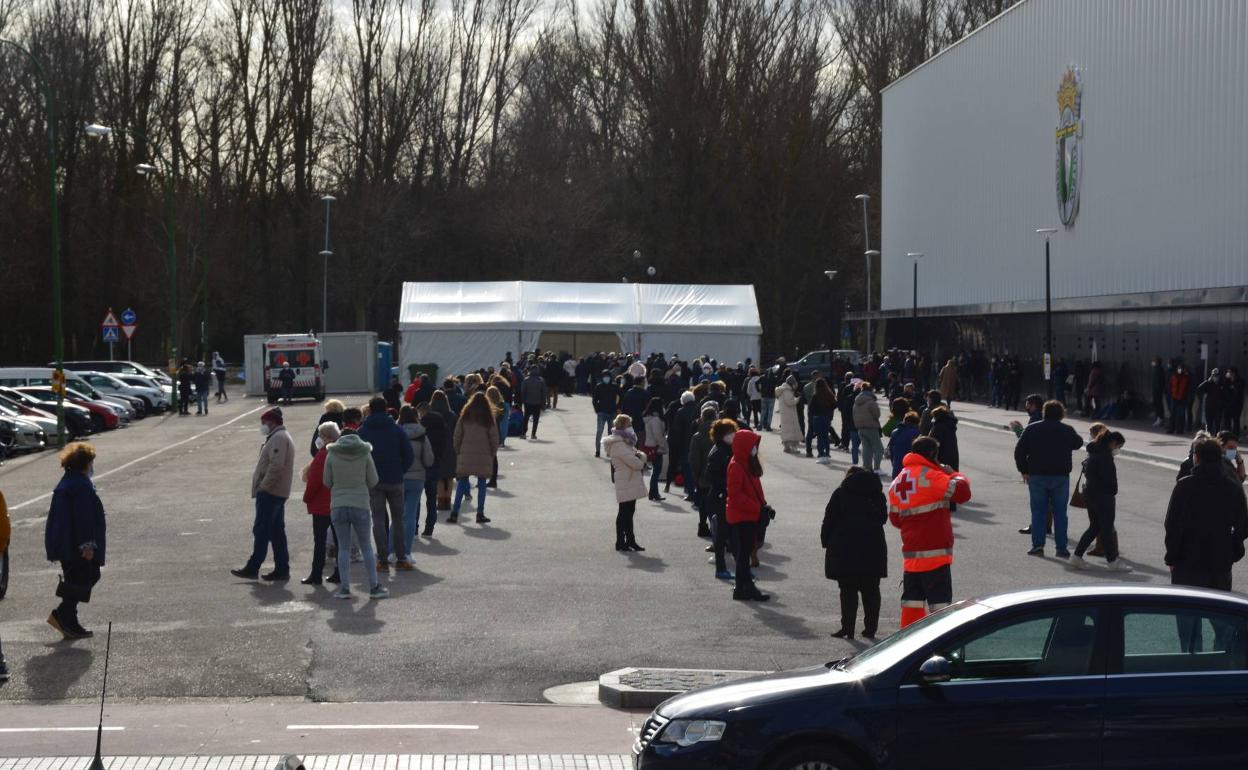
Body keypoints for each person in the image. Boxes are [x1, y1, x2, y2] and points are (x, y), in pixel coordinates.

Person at [888, 436, 971, 627]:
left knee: (912, 605)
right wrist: (955, 474)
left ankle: (908, 645)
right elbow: (963, 493)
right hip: (935, 555)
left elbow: (895, 519)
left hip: (911, 556)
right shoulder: (932, 477)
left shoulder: (898, 481)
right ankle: (941, 646)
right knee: (940, 608)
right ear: (933, 453)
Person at [1164, 437, 1248, 591]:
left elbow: (1172, 524)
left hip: (1187, 560)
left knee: (1187, 610)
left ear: (1197, 458)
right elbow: (1242, 525)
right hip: (1220, 560)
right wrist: (1233, 551)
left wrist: (1172, 557)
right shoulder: (1232, 487)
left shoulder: (1184, 486)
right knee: (1218, 611)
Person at [43, 443, 107, 640]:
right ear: (86, 464)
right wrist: (87, 545)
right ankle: (63, 614)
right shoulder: (80, 485)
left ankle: (68, 619)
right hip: (73, 544)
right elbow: (83, 517)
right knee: (87, 576)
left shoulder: (69, 481)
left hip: (65, 542)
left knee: (77, 579)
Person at [822, 466, 887, 639]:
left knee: (848, 590)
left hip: (845, 548)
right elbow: (883, 518)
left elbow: (829, 518)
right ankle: (870, 629)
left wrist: (825, 541)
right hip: (873, 547)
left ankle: (847, 628)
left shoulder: (841, 493)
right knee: (871, 590)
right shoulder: (876, 494)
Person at [324, 423, 387, 600]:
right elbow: (373, 480)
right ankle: (374, 586)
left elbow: (327, 482)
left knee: (342, 548)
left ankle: (344, 588)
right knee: (366, 546)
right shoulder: (365, 453)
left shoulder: (332, 454)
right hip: (360, 503)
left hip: (338, 504)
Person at [1013, 400, 1084, 558]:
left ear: (1044, 412)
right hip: (1060, 475)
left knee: (1038, 511)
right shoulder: (1066, 429)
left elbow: (1019, 451)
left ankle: (1038, 545)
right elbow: (1078, 443)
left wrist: (1024, 470)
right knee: (1060, 512)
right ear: (1061, 413)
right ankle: (1061, 548)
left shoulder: (1033, 428)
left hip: (1037, 474)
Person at [232, 408, 295, 581]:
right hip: (276, 491)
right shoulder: (278, 437)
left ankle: (253, 567)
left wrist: (264, 487)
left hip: (271, 492)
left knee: (262, 530)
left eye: (264, 422)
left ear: (272, 422)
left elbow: (276, 466)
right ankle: (282, 568)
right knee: (276, 532)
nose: (262, 426)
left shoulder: (279, 438)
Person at [358, 396, 415, 572]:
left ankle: (382, 560)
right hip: (395, 479)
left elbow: (359, 457)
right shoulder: (396, 430)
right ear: (386, 408)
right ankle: (401, 557)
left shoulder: (362, 431)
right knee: (398, 520)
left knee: (378, 520)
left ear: (370, 409)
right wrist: (400, 470)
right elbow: (409, 455)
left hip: (374, 481)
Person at [1070, 430, 1130, 571]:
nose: (1118, 450)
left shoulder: (1093, 452)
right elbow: (1109, 480)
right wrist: (1112, 491)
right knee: (1107, 529)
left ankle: (1077, 556)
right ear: (1113, 443)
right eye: (1119, 447)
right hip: (1103, 497)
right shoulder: (1105, 457)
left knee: (1095, 527)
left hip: (1090, 494)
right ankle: (1112, 561)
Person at [726, 429, 770, 602]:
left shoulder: (744, 462)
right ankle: (748, 588)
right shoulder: (737, 465)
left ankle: (741, 588)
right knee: (743, 556)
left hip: (747, 515)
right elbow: (735, 494)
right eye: (753, 445)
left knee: (743, 555)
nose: (755, 449)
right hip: (743, 516)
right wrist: (755, 507)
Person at [300, 422, 340, 585]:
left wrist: (307, 498)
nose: (319, 439)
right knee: (339, 540)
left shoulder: (323, 455)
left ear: (327, 437)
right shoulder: (340, 452)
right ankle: (339, 572)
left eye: (321, 436)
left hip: (322, 504)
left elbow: (315, 481)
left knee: (320, 541)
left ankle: (316, 573)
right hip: (338, 501)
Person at [451, 392, 500, 524]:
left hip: (465, 454)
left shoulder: (465, 416)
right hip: (483, 455)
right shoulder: (489, 418)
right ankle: (480, 513)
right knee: (482, 484)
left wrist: (458, 451)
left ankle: (455, 512)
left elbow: (457, 436)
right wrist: (492, 453)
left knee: (462, 482)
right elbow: (494, 439)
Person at [603, 414, 647, 551]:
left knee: (629, 511)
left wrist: (640, 456)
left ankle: (630, 540)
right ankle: (621, 541)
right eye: (629, 425)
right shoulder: (619, 444)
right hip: (626, 480)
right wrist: (641, 458)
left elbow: (637, 455)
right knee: (624, 512)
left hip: (628, 480)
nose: (631, 428)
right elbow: (636, 463)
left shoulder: (625, 441)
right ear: (623, 426)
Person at [399, 405, 436, 552]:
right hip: (417, 477)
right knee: (410, 514)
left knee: (398, 515)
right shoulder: (422, 435)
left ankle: (395, 548)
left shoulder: (396, 433)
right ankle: (407, 549)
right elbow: (428, 460)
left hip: (399, 477)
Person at [704, 419, 737, 580]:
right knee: (722, 535)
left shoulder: (725, 449)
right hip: (719, 497)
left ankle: (738, 568)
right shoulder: (720, 452)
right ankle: (721, 568)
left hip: (721, 495)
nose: (733, 435)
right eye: (730, 432)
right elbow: (711, 476)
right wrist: (726, 486)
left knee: (728, 535)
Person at [687, 402, 720, 536]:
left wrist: (696, 474)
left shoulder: (698, 436)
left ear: (702, 417)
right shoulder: (720, 433)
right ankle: (716, 528)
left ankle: (702, 525)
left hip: (703, 474)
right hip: (719, 474)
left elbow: (694, 458)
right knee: (717, 504)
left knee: (703, 503)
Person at [642, 397, 669, 502]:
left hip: (650, 445)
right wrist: (664, 445)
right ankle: (654, 493)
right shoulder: (656, 420)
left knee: (655, 471)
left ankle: (653, 493)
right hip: (657, 447)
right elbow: (658, 435)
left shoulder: (648, 418)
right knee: (656, 472)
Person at [808, 378, 840, 464]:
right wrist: (828, 410)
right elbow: (835, 405)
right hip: (826, 418)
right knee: (825, 436)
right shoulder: (829, 394)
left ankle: (821, 454)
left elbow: (811, 408)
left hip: (817, 418)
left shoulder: (815, 396)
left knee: (820, 437)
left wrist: (815, 412)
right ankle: (827, 454)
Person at [854, 383, 883, 473]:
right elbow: (877, 414)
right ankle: (877, 468)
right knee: (879, 448)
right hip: (871, 427)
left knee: (866, 448)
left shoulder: (856, 401)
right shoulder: (871, 401)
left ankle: (867, 467)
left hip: (860, 427)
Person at [592, 370, 620, 458]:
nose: (606, 378)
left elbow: (619, 397)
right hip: (602, 412)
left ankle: (609, 451)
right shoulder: (599, 386)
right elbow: (594, 399)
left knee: (611, 433)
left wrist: (617, 408)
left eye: (607, 376)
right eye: (604, 376)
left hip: (612, 412)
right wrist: (597, 409)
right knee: (599, 431)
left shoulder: (615, 387)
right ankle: (597, 450)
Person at [888, 411, 921, 479]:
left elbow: (891, 449)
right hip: (911, 465)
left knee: (897, 485)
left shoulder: (895, 432)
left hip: (897, 464)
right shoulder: (917, 433)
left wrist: (893, 462)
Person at [927, 405, 960, 471]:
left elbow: (933, 444)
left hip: (941, 460)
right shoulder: (950, 425)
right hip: (952, 458)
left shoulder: (938, 427)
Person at [775, 375, 802, 453]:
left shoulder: (783, 390)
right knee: (791, 430)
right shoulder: (787, 391)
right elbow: (790, 402)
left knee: (786, 430)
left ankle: (787, 447)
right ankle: (793, 448)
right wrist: (797, 399)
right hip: (789, 414)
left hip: (785, 414)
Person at [520, 367, 547, 440]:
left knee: (526, 418)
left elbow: (523, 391)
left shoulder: (526, 380)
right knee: (536, 419)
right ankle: (533, 434)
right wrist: (543, 402)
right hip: (537, 402)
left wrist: (523, 400)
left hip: (527, 402)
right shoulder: (541, 380)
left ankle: (523, 433)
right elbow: (544, 393)